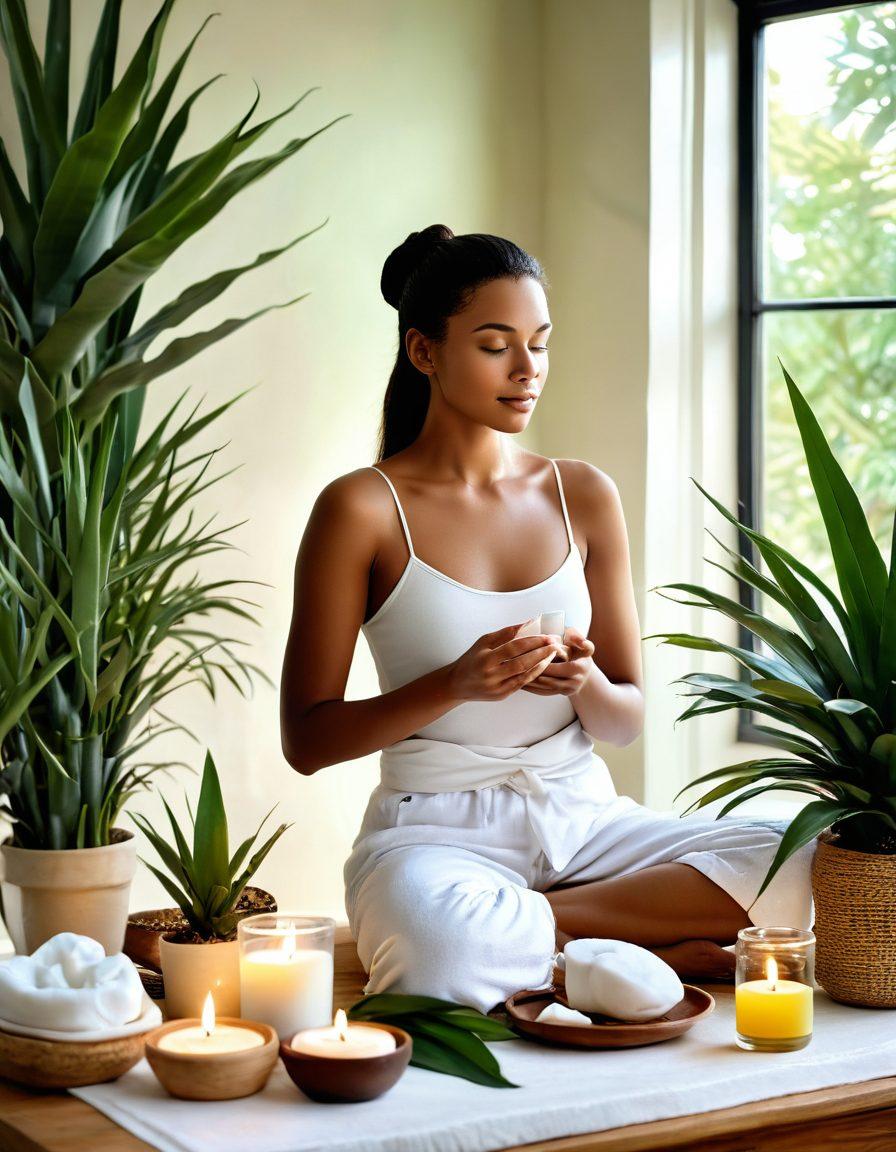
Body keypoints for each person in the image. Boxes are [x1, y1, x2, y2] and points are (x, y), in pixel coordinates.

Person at [279, 225, 815, 1016]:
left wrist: (588, 682)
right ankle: (624, 944)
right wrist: (457, 684)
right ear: (425, 352)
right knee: (437, 948)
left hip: (585, 823)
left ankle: (555, 934)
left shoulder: (583, 493)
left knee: (802, 855)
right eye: (496, 345)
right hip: (436, 837)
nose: (527, 370)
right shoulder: (361, 508)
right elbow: (308, 741)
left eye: (540, 344)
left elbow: (627, 718)